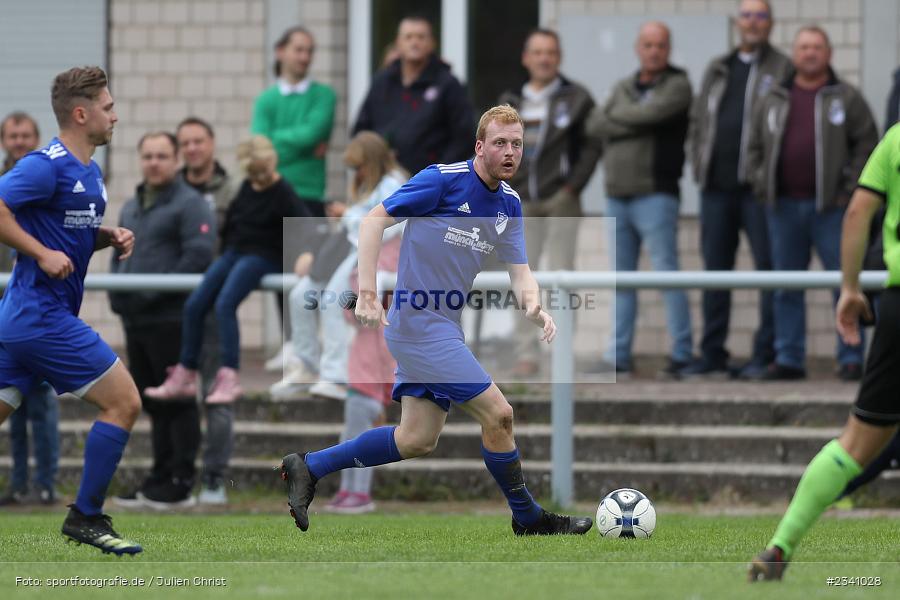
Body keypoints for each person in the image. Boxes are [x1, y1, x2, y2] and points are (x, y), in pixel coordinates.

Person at [279, 104, 593, 536]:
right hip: (417, 326)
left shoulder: (509, 203)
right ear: (479, 146)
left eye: (517, 144)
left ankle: (309, 466)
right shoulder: (442, 180)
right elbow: (373, 221)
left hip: (443, 327)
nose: (510, 152)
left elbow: (520, 272)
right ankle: (529, 517)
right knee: (499, 414)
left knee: (416, 439)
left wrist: (534, 305)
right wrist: (368, 293)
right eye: (500, 143)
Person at [748, 123, 900, 581]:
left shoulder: (896, 139)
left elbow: (857, 212)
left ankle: (780, 546)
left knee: (854, 444)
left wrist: (850, 289)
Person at [0, 66, 141, 554]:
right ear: (81, 114)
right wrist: (41, 253)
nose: (115, 116)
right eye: (108, 107)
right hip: (40, 316)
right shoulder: (46, 165)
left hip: (23, 318)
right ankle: (85, 516)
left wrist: (105, 237)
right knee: (124, 402)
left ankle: (86, 515)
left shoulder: (91, 173)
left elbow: (64, 233)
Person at [746, 26, 878, 381]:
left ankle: (850, 357)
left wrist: (849, 191)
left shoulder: (846, 97)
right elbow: (754, 146)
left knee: (845, 281)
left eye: (817, 47)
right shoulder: (774, 97)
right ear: (795, 53)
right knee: (786, 286)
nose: (810, 53)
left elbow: (867, 145)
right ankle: (789, 358)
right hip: (783, 208)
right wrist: (762, 183)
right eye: (804, 47)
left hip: (832, 210)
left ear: (829, 53)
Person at [145, 135, 311, 403]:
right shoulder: (246, 187)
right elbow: (233, 220)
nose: (257, 179)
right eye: (253, 174)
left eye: (260, 173)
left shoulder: (283, 191)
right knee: (195, 304)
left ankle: (230, 374)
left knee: (225, 304)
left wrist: (304, 254)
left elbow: (303, 225)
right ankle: (186, 370)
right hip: (234, 252)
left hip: (262, 255)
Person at [684, 0, 790, 380]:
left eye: (760, 16)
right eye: (747, 15)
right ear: (737, 22)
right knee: (715, 274)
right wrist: (699, 161)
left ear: (770, 24)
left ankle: (765, 354)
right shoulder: (719, 67)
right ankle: (712, 354)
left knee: (767, 273)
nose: (753, 22)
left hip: (758, 192)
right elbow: (698, 121)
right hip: (716, 189)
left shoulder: (783, 68)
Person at [109, 131, 215, 509]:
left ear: (176, 160)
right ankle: (159, 477)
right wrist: (118, 295)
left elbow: (199, 256)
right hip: (136, 320)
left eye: (161, 156)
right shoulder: (132, 206)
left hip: (172, 319)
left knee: (178, 401)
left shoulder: (191, 204)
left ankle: (180, 482)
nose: (154, 163)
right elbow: (117, 254)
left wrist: (150, 293)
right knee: (152, 400)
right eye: (148, 156)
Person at [586, 22, 693, 378]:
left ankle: (682, 354)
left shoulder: (678, 85)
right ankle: (618, 356)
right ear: (638, 48)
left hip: (656, 194)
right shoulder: (624, 85)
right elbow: (594, 125)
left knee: (667, 275)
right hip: (617, 195)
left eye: (660, 45)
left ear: (668, 49)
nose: (654, 51)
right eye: (648, 45)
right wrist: (633, 119)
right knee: (621, 281)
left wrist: (618, 116)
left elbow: (649, 114)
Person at [270, 131, 407, 401]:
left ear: (372, 161)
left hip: (369, 255)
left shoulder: (392, 184)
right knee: (299, 297)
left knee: (333, 301)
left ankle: (336, 376)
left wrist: (348, 215)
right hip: (348, 250)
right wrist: (350, 216)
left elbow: (388, 228)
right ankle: (306, 366)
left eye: (359, 166)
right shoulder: (371, 185)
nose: (357, 173)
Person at [498, 28, 600, 377]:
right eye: (537, 52)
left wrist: (572, 187)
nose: (544, 59)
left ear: (559, 57)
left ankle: (561, 350)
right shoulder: (510, 100)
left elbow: (592, 146)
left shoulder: (577, 98)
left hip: (560, 200)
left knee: (562, 275)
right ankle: (526, 353)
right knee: (520, 276)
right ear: (526, 58)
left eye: (550, 52)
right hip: (520, 201)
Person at [175, 116, 240, 505]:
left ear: (212, 143)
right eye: (186, 143)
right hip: (174, 304)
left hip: (214, 306)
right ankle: (177, 476)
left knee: (216, 394)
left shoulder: (233, 191)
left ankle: (215, 478)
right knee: (176, 395)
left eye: (198, 141)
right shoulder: (171, 191)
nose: (192, 149)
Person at [0, 111, 60, 507]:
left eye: (26, 135)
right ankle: (18, 483)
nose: (19, 141)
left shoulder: (45, 186)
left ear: (36, 138)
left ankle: (45, 483)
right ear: (4, 141)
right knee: (10, 405)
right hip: (4, 313)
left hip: (36, 310)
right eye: (13, 135)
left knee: (40, 403)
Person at [322, 233, 402, 514]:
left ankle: (359, 493)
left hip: (367, 379)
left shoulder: (384, 264)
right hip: (368, 379)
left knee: (359, 440)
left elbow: (353, 308)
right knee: (352, 438)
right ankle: (349, 490)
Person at [353, 15, 475, 175]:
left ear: (432, 43)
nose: (414, 42)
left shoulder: (448, 84)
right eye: (408, 37)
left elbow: (464, 137)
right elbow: (361, 130)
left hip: (429, 182)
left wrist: (439, 173)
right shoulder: (382, 82)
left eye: (421, 37)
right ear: (398, 43)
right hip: (382, 179)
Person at [251, 25, 336, 218]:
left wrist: (273, 141)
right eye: (299, 50)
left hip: (309, 195)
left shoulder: (324, 96)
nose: (305, 57)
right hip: (270, 193)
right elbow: (258, 149)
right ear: (280, 51)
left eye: (309, 51)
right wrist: (303, 149)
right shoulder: (265, 100)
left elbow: (310, 136)